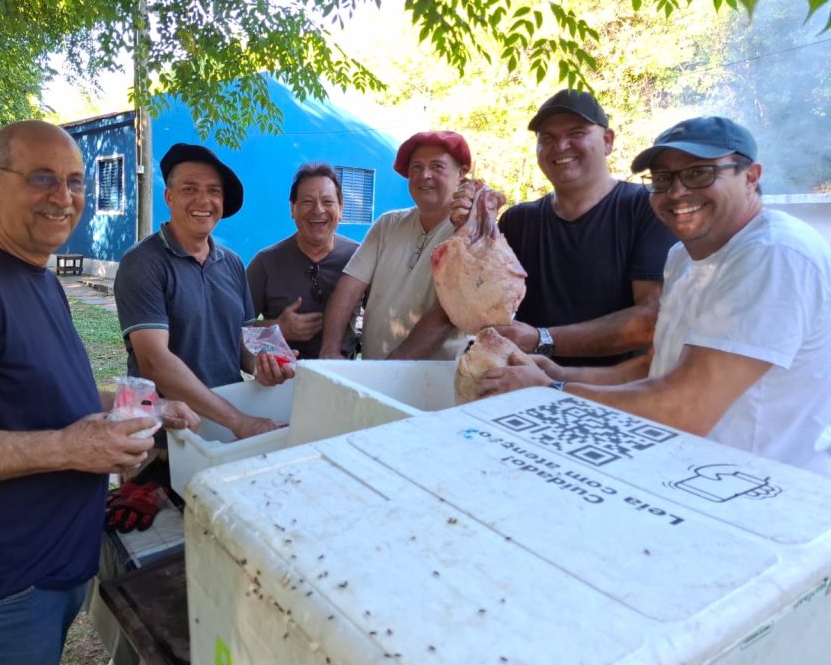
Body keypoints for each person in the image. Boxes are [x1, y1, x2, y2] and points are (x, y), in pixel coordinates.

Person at [0, 120, 199, 665]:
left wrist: (149, 407)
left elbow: (47, 393)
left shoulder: (38, 276)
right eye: (42, 178)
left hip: (49, 570)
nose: (63, 197)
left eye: (75, 181)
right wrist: (70, 447)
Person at [477, 116, 831, 476]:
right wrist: (560, 371)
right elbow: (656, 365)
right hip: (685, 474)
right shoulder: (682, 257)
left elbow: (686, 406)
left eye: (699, 173)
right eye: (662, 179)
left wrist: (552, 389)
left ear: (751, 176)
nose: (676, 192)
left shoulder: (775, 253)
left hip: (763, 486)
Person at [454, 90, 676, 366]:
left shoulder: (647, 207)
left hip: (612, 389)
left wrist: (541, 339)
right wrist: (469, 229)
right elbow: (480, 304)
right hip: (523, 384)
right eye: (547, 138)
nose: (560, 146)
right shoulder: (518, 220)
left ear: (608, 141)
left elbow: (651, 318)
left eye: (576, 133)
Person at [114, 143, 293, 440]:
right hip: (170, 434)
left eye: (214, 191)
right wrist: (239, 421)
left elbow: (244, 343)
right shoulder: (142, 263)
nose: (203, 200)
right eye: (190, 189)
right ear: (169, 197)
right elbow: (155, 362)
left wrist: (263, 365)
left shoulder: (232, 262)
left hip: (228, 421)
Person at [319, 131, 470, 360]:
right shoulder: (388, 224)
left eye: (437, 166)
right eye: (416, 167)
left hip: (436, 377)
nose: (424, 175)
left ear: (461, 174)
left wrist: (389, 369)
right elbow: (349, 287)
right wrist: (330, 348)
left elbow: (446, 313)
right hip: (375, 370)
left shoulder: (469, 232)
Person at [247, 163, 360, 358]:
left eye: (327, 201)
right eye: (307, 201)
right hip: (285, 374)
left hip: (343, 373)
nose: (318, 210)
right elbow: (234, 328)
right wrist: (278, 328)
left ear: (340, 208)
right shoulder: (266, 262)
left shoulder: (360, 257)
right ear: (292, 208)